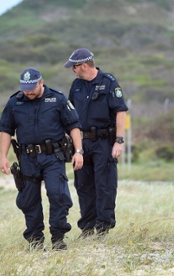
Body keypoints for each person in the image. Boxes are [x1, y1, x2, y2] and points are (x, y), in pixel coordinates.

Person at [0, 67, 84, 251]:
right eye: (25, 87)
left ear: (41, 82)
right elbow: (6, 129)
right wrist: (3, 157)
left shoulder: (58, 99)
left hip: (53, 156)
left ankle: (58, 238)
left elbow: (73, 126)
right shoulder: (15, 102)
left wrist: (78, 151)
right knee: (29, 199)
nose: (28, 91)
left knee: (58, 194)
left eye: (31, 87)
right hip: (27, 158)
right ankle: (35, 241)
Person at [63, 48, 128, 238]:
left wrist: (119, 141)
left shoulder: (108, 82)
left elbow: (121, 112)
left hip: (103, 142)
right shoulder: (76, 85)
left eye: (74, 67)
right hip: (82, 144)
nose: (72, 71)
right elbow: (70, 115)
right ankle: (88, 227)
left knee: (104, 185)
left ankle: (103, 227)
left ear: (83, 65)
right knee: (83, 185)